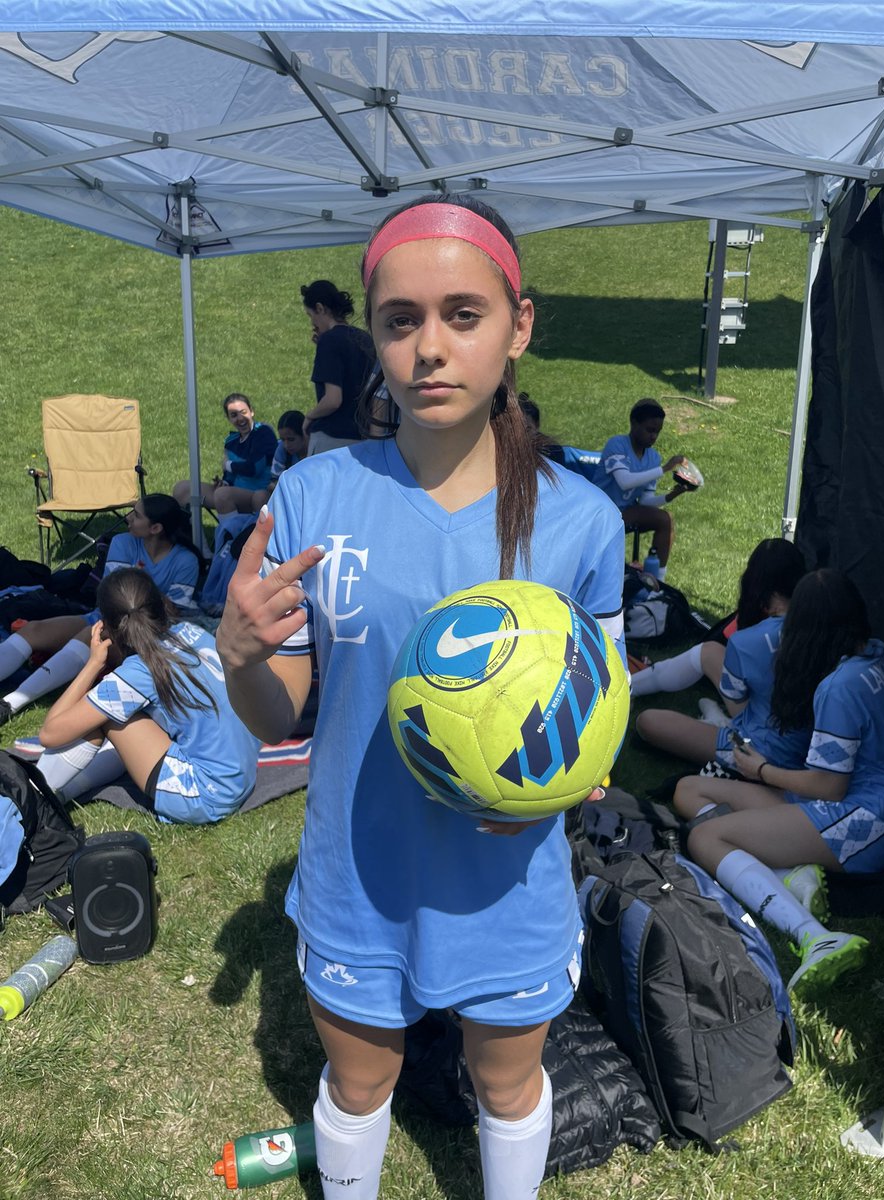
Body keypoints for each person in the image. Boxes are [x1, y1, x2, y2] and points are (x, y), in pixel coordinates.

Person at [216, 193, 626, 1200]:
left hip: (507, 885)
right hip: (359, 875)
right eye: (401, 321)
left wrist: (559, 779)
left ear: (518, 324)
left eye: (463, 315)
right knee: (360, 1088)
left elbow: (596, 725)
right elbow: (284, 716)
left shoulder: (583, 521)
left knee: (508, 1082)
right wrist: (238, 658)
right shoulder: (316, 496)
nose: (430, 348)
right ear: (377, 337)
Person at [674, 570, 884, 992]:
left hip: (864, 821)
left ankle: (813, 935)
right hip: (867, 804)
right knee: (690, 789)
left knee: (704, 839)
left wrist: (760, 770)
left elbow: (828, 787)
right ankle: (790, 871)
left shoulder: (838, 687)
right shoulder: (879, 652)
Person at [37, 568, 260, 824]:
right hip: (241, 776)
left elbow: (50, 734)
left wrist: (93, 664)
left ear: (107, 626)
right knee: (124, 710)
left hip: (206, 796)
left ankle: (33, 799)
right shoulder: (191, 631)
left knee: (105, 717)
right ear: (160, 603)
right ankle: (55, 794)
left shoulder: (138, 672)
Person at [0, 494, 201, 726]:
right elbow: (114, 596)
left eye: (136, 515)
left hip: (143, 636)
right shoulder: (123, 542)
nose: (128, 518)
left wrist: (134, 597)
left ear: (155, 528)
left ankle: (10, 703)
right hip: (105, 617)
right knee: (35, 630)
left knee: (90, 634)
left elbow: (170, 613)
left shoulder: (186, 561)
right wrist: (147, 597)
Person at [633, 539, 808, 772]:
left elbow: (738, 697)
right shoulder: (821, 626)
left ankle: (720, 724)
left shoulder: (746, 641)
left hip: (761, 749)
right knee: (710, 652)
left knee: (648, 722)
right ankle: (627, 687)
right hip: (799, 740)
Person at [599, 399, 691, 579]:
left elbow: (646, 501)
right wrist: (665, 469)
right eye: (649, 430)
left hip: (626, 511)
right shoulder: (617, 445)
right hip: (602, 510)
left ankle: (657, 580)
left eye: (657, 432)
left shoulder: (653, 457)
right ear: (634, 423)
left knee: (665, 519)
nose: (653, 436)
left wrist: (671, 496)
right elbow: (624, 481)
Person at [300, 280, 376, 455]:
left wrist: (310, 416)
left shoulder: (329, 341)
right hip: (364, 436)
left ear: (320, 308)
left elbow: (333, 400)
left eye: (310, 315)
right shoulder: (365, 338)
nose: (313, 323)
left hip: (333, 439)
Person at [173, 393, 277, 515]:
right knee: (182, 488)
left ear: (251, 412)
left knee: (223, 494)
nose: (240, 418)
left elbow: (254, 469)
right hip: (233, 491)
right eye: (234, 415)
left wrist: (227, 465)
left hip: (258, 494)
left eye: (243, 412)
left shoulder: (263, 432)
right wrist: (225, 482)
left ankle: (231, 533)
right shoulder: (231, 441)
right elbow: (230, 475)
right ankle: (191, 532)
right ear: (228, 418)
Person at [250, 409, 309, 511]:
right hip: (288, 496)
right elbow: (273, 483)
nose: (286, 445)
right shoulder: (282, 449)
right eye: (282, 439)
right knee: (261, 496)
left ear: (305, 435)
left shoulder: (316, 450)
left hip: (310, 496)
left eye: (291, 439)